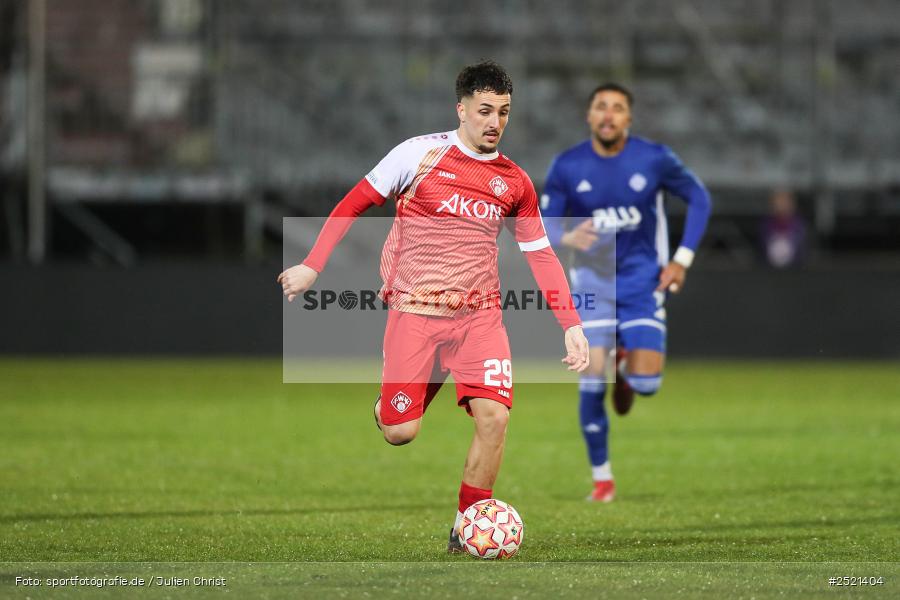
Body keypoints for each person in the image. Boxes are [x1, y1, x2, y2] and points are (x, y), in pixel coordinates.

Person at [278, 61, 590, 552]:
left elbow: (541, 253)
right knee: (401, 432)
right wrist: (313, 266)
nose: (495, 122)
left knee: (496, 418)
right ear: (461, 109)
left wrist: (570, 323)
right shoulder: (417, 155)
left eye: (504, 112)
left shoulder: (515, 182)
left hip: (479, 317)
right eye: (485, 110)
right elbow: (352, 204)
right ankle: (393, 405)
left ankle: (467, 526)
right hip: (415, 313)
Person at [542, 82, 711, 502]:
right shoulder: (567, 165)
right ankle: (603, 479)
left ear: (628, 119)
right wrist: (565, 234)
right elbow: (540, 224)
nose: (608, 115)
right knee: (590, 384)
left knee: (647, 385)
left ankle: (627, 370)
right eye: (601, 106)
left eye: (617, 108)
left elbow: (700, 198)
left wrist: (682, 259)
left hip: (642, 283)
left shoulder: (653, 159)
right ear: (589, 116)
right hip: (592, 288)